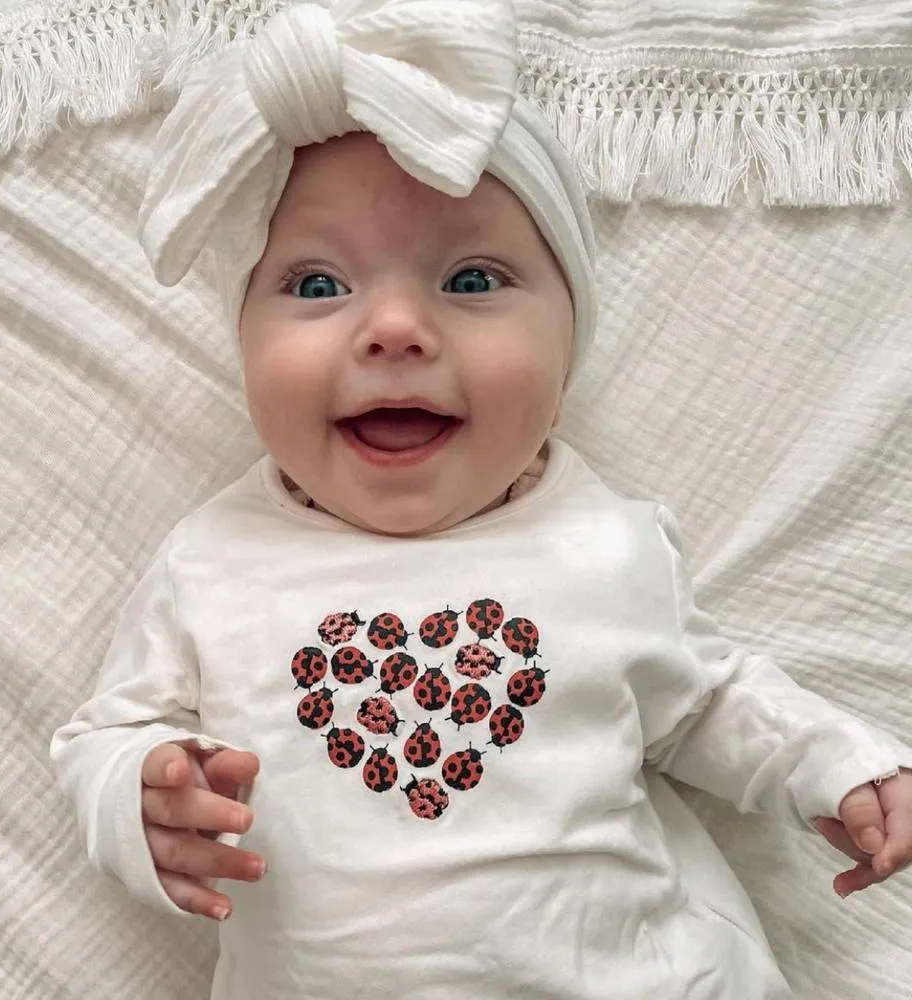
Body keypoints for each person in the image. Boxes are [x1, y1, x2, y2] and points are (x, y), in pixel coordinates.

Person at [50, 1, 912, 997]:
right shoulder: (211, 556)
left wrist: (838, 764)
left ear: (569, 344)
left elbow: (710, 699)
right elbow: (106, 732)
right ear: (240, 338)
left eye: (470, 276)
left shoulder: (604, 540)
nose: (395, 328)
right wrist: (143, 797)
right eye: (317, 284)